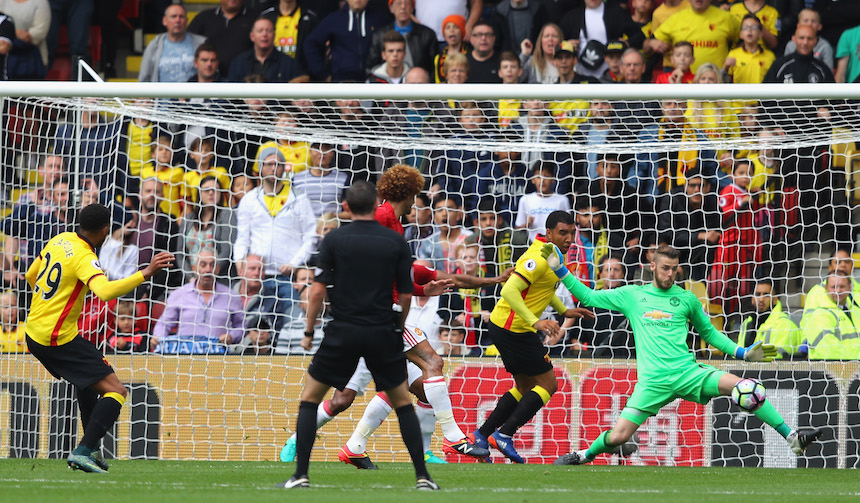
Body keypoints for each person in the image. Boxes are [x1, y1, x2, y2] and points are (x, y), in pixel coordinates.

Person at [280, 164, 507, 466]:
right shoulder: (384, 219)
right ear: (411, 193)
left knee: (379, 394)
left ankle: (350, 446)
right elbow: (379, 267)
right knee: (432, 363)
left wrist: (424, 290)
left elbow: (393, 275)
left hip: (368, 318)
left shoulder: (395, 224)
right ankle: (454, 439)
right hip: (378, 317)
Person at [547, 244, 823, 466]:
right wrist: (561, 270)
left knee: (746, 387)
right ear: (652, 266)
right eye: (665, 268)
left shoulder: (687, 299)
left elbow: (710, 334)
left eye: (674, 270)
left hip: (687, 373)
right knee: (619, 436)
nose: (670, 274)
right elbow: (590, 297)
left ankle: (792, 438)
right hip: (652, 382)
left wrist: (743, 352)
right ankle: (583, 456)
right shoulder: (632, 295)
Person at [280, 181, 438, 491]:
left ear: (347, 208)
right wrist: (397, 328)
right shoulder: (395, 241)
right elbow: (405, 295)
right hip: (381, 329)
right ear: (376, 203)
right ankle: (423, 477)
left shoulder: (335, 239)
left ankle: (300, 476)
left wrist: (309, 332)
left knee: (310, 399)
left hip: (343, 329)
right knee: (403, 403)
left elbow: (317, 291)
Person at [24, 203, 173, 473]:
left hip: (34, 330)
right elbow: (104, 291)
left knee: (88, 380)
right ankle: (83, 451)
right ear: (105, 229)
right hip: (56, 338)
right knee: (116, 390)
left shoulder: (60, 239)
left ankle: (90, 448)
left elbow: (31, 275)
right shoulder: (83, 255)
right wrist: (146, 273)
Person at [470, 210, 593, 463]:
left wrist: (564, 310)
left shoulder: (552, 256)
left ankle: (482, 435)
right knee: (549, 384)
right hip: (512, 329)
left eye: (572, 233)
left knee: (525, 386)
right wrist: (536, 321)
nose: (569, 238)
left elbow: (543, 289)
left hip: (510, 328)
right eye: (563, 233)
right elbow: (510, 289)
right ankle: (504, 435)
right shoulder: (537, 257)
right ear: (548, 233)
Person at [233, 144, 316, 331]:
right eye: (268, 164)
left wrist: (295, 263)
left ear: (284, 168)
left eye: (278, 164)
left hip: (287, 277)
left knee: (289, 323)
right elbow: (242, 237)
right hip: (257, 278)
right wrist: (239, 260)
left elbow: (311, 237)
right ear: (260, 168)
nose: (273, 168)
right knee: (255, 328)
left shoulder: (299, 198)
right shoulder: (249, 199)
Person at [150, 248, 245, 354]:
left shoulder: (231, 296)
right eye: (203, 265)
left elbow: (241, 326)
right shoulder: (179, 294)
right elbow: (164, 323)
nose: (208, 270)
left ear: (218, 269)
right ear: (194, 268)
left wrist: (231, 336)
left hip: (218, 359)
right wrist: (157, 337)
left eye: (212, 265)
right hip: (184, 358)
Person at [657, 166, 721, 281]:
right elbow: (666, 232)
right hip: (673, 255)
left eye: (701, 186)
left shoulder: (712, 205)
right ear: (685, 186)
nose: (697, 189)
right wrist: (699, 235)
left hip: (700, 259)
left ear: (708, 188)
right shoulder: (672, 199)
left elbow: (716, 233)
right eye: (692, 185)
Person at [302, 0, 389, 82]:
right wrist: (322, 74)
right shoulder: (334, 19)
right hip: (342, 82)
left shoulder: (380, 19)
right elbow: (310, 43)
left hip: (374, 80)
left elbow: (393, 43)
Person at [650, 0, 740, 74]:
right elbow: (648, 44)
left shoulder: (727, 18)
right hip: (683, 81)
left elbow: (743, 42)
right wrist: (651, 43)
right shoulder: (676, 18)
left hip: (715, 81)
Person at [366, 0, 437, 77]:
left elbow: (434, 68)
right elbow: (371, 67)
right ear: (391, 8)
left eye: (407, 3)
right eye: (399, 3)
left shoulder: (427, 34)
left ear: (412, 8)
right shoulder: (379, 35)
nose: (403, 7)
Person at [799, 272, 860, 360]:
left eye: (842, 286)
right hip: (827, 371)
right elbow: (829, 351)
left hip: (854, 369)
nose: (838, 291)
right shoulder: (819, 315)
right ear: (826, 288)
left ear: (850, 287)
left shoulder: (857, 311)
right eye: (833, 287)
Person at [139, 5, 206, 83]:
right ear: (165, 21)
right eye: (173, 16)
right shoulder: (154, 45)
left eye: (181, 17)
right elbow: (144, 79)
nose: (177, 20)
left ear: (186, 21)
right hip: (162, 95)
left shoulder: (201, 43)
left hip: (194, 94)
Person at [187, 0, 255, 76]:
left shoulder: (254, 19)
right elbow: (187, 43)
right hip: (210, 80)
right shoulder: (203, 18)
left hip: (244, 78)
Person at [737, 279, 801, 359]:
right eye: (758, 294)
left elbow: (780, 358)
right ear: (752, 299)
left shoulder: (784, 324)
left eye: (766, 295)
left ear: (775, 299)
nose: (761, 299)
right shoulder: (746, 323)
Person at [227, 16, 303, 83]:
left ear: (274, 36)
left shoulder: (289, 64)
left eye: (269, 31)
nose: (264, 34)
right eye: (260, 31)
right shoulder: (239, 63)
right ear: (252, 36)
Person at [257, 0, 320, 74]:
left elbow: (315, 53)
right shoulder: (266, 17)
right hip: (271, 76)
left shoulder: (310, 18)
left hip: (299, 77)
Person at [515, 160, 571, 242]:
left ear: (553, 179)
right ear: (533, 180)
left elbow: (569, 227)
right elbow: (517, 229)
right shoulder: (525, 200)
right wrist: (526, 225)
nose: (542, 180)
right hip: (531, 246)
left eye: (547, 176)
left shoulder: (562, 200)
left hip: (555, 246)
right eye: (538, 177)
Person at [724, 14, 775, 84]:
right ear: (741, 34)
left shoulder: (770, 56)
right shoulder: (733, 54)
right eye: (745, 28)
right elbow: (725, 81)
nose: (749, 30)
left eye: (753, 27)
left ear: (760, 34)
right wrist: (725, 68)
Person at [433, 14, 469, 83]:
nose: (451, 30)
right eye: (448, 27)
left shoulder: (469, 55)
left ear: (461, 32)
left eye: (456, 27)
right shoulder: (438, 58)